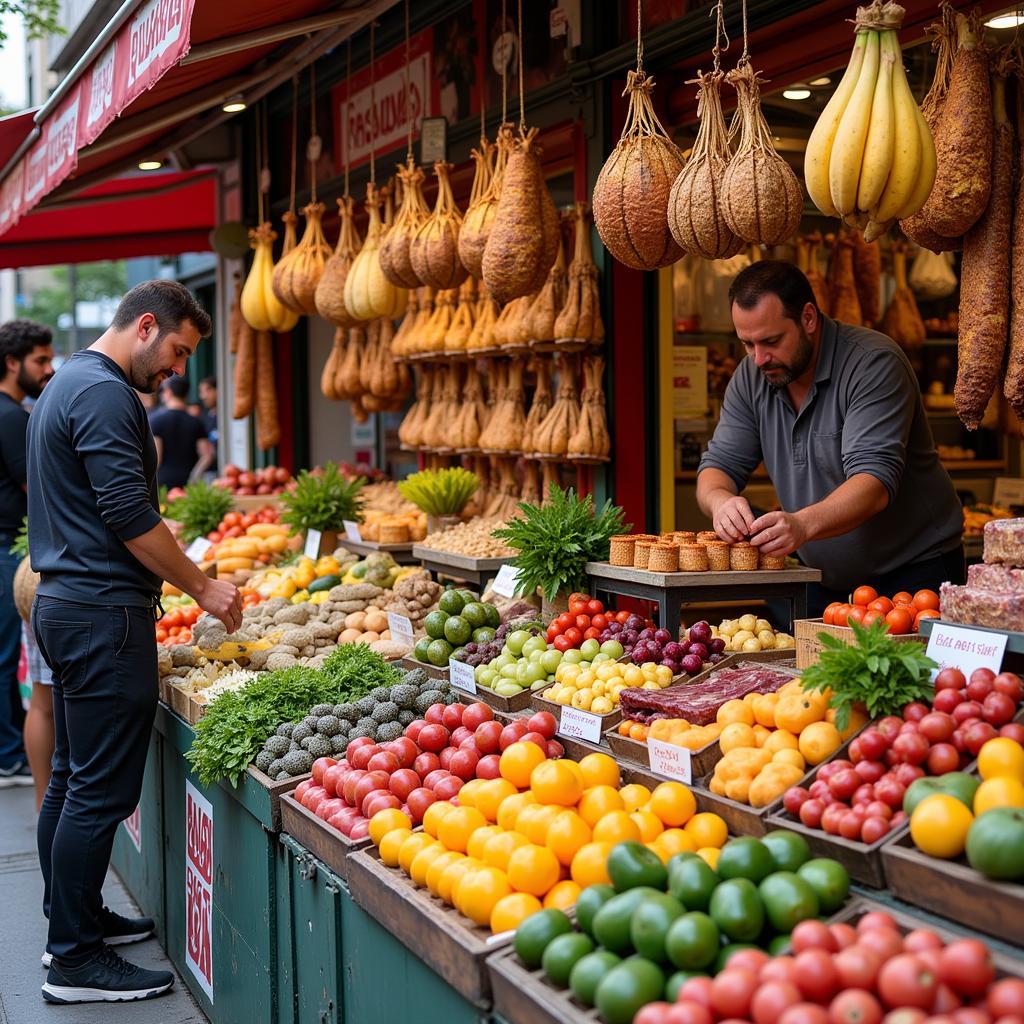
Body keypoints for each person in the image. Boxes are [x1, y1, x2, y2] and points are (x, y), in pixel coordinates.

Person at [26, 280, 243, 1004]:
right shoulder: (106, 393)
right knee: (98, 789)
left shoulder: (68, 384)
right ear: (145, 326)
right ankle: (75, 959)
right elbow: (126, 512)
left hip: (73, 605)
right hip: (102, 612)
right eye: (177, 350)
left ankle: (74, 919)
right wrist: (203, 587)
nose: (177, 369)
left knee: (72, 777)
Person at [696, 260, 964, 615]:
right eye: (747, 344)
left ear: (808, 318)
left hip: (913, 572)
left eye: (771, 341)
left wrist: (802, 524)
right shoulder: (752, 376)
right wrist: (720, 503)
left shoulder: (873, 363)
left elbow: (874, 484)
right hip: (822, 578)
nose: (759, 358)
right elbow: (717, 468)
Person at [0, 319, 53, 786]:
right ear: (12, 363)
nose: (48, 369)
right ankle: (9, 756)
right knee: (14, 664)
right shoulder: (13, 416)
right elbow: (35, 488)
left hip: (9, 551)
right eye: (40, 360)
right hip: (12, 555)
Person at [149, 375, 215, 488]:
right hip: (187, 486)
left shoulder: (155, 420)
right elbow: (208, 455)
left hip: (163, 484)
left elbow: (156, 458)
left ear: (168, 392)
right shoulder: (196, 422)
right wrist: (194, 477)